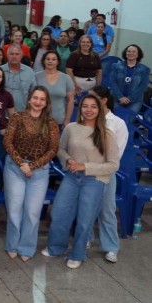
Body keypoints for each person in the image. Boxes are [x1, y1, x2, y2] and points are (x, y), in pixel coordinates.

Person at [42, 94, 120, 269]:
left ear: (99, 110)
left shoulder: (107, 134)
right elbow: (60, 149)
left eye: (93, 106)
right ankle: (56, 248)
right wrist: (68, 159)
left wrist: (84, 166)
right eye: (85, 106)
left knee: (85, 220)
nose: (89, 110)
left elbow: (113, 165)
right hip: (71, 178)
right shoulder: (71, 128)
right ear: (80, 108)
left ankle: (77, 254)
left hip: (94, 181)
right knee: (59, 214)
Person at [3, 86, 60, 261]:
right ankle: (12, 244)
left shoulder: (51, 123)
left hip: (40, 171)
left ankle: (26, 247)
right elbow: (7, 142)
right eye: (35, 98)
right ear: (29, 99)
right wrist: (22, 164)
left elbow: (53, 149)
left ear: (46, 103)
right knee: (14, 209)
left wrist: (33, 166)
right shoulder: (17, 117)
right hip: (15, 168)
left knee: (32, 212)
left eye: (42, 99)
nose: (38, 102)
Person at [88, 86, 129, 264]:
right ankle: (86, 239)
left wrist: (100, 166)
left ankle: (111, 247)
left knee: (107, 211)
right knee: (87, 208)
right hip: (88, 170)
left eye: (94, 99)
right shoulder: (87, 120)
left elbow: (116, 153)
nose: (88, 105)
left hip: (106, 172)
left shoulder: (117, 123)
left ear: (104, 100)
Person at [35, 51, 75, 128]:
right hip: (39, 119)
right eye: (48, 59)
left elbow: (70, 100)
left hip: (59, 120)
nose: (50, 61)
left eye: (53, 59)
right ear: (44, 61)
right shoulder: (36, 76)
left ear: (58, 62)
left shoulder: (66, 78)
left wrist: (67, 119)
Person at [108, 44, 149, 113]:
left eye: (134, 52)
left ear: (138, 55)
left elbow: (143, 87)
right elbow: (112, 82)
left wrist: (130, 99)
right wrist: (120, 97)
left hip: (135, 101)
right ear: (125, 53)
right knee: (115, 119)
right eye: (128, 51)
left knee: (129, 120)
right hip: (116, 99)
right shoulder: (116, 66)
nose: (131, 53)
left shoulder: (144, 69)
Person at [1, 45, 35, 111]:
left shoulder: (29, 71)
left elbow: (33, 92)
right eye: (11, 54)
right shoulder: (0, 71)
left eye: (17, 54)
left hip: (23, 113)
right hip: (2, 114)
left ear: (21, 56)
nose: (14, 56)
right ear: (7, 55)